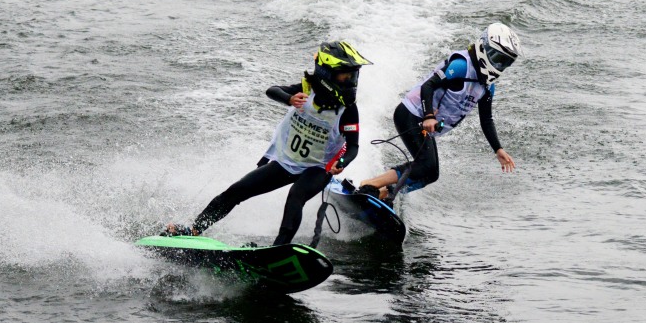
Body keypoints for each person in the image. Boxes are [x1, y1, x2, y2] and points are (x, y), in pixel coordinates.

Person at [164, 40, 371, 245]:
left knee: (296, 196)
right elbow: (272, 90)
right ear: (325, 73)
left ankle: (278, 249)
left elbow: (353, 147)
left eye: (353, 75)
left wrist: (341, 162)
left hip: (318, 168)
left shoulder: (348, 110)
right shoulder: (306, 90)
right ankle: (194, 231)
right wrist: (289, 99)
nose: (350, 81)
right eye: (345, 75)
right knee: (237, 190)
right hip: (286, 163)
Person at [356, 22, 522, 201]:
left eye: (505, 62)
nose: (499, 64)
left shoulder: (487, 87)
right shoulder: (461, 66)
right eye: (497, 58)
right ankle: (370, 184)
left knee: (431, 174)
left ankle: (382, 194)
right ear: (484, 47)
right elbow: (428, 86)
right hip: (410, 114)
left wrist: (498, 149)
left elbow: (486, 119)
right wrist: (429, 115)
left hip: (424, 124)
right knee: (425, 165)